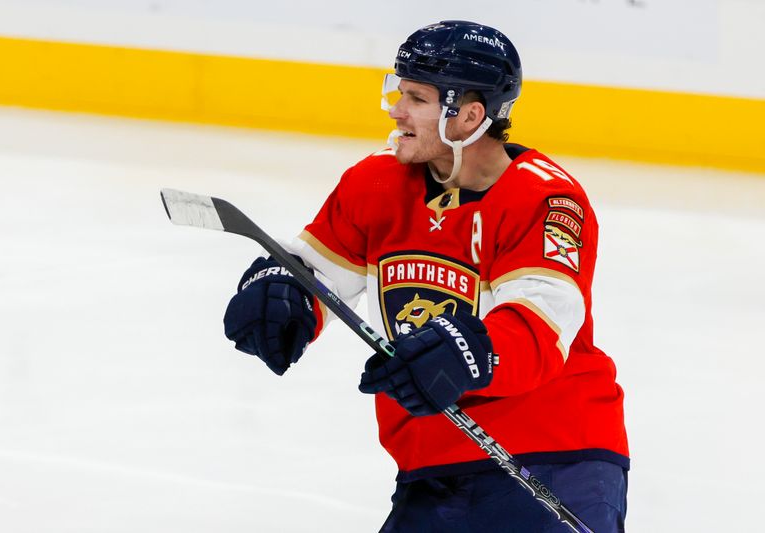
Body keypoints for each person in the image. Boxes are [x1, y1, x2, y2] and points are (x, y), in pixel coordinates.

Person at [224, 20, 629, 532]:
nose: (396, 110)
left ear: (469, 116)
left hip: (554, 455)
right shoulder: (377, 180)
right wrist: (283, 294)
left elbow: (540, 323)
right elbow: (316, 268)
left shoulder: (545, 199)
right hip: (431, 462)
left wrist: (467, 350)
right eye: (399, 91)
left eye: (415, 97)